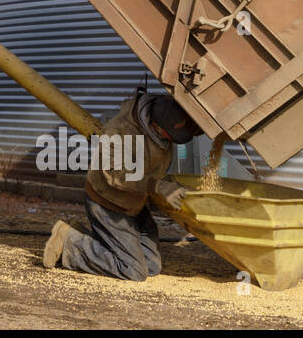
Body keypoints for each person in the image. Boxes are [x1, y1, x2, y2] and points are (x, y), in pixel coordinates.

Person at [42, 88, 202, 281]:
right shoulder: (122, 131)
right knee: (132, 270)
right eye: (168, 137)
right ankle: (70, 243)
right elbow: (113, 174)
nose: (168, 142)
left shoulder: (162, 123)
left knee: (151, 266)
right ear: (155, 125)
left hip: (135, 202)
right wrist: (156, 187)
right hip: (109, 204)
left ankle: (82, 236)